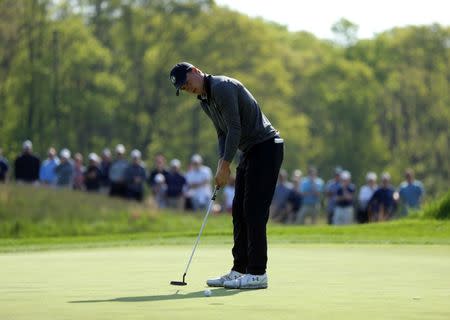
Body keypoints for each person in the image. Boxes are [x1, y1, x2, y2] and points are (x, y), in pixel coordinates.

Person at [170, 62, 283, 289]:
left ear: (195, 71)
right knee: (239, 211)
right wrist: (223, 162)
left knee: (254, 210)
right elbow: (222, 134)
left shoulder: (222, 87)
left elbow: (234, 127)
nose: (187, 89)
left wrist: (225, 165)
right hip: (249, 151)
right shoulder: (205, 101)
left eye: (186, 83)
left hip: (267, 147)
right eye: (182, 88)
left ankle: (257, 272)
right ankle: (239, 269)